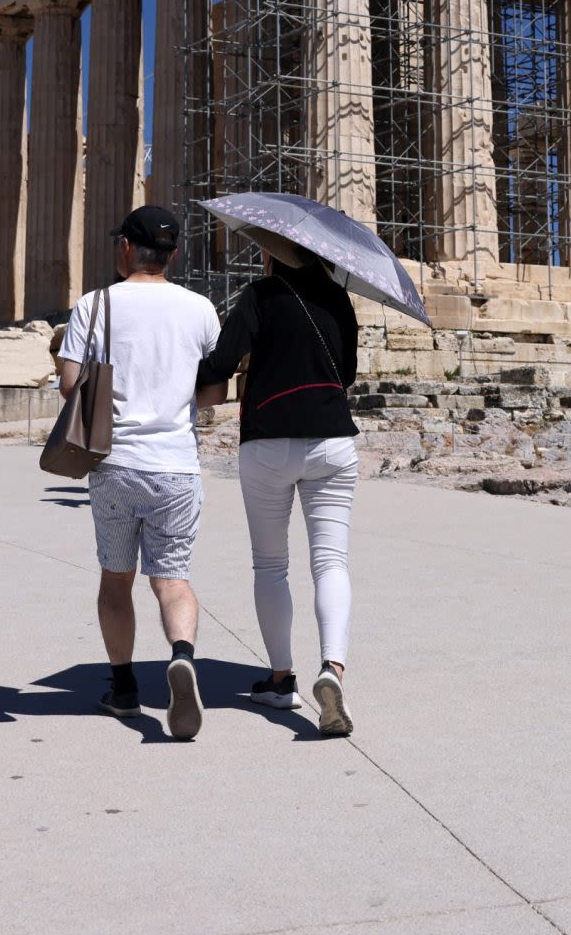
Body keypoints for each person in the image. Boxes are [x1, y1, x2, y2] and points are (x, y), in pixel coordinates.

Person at [55, 205, 220, 740]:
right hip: (176, 465)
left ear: (126, 248)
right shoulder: (200, 310)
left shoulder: (95, 304)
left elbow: (69, 386)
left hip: (116, 463)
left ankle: (124, 688)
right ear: (172, 254)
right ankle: (183, 657)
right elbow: (214, 391)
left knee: (116, 579)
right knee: (172, 579)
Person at [197, 235, 362, 737]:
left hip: (267, 440)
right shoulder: (340, 300)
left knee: (271, 565)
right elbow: (348, 373)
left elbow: (222, 365)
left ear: (275, 252)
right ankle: (331, 669)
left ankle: (280, 678)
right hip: (333, 440)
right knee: (331, 561)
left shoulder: (259, 296)